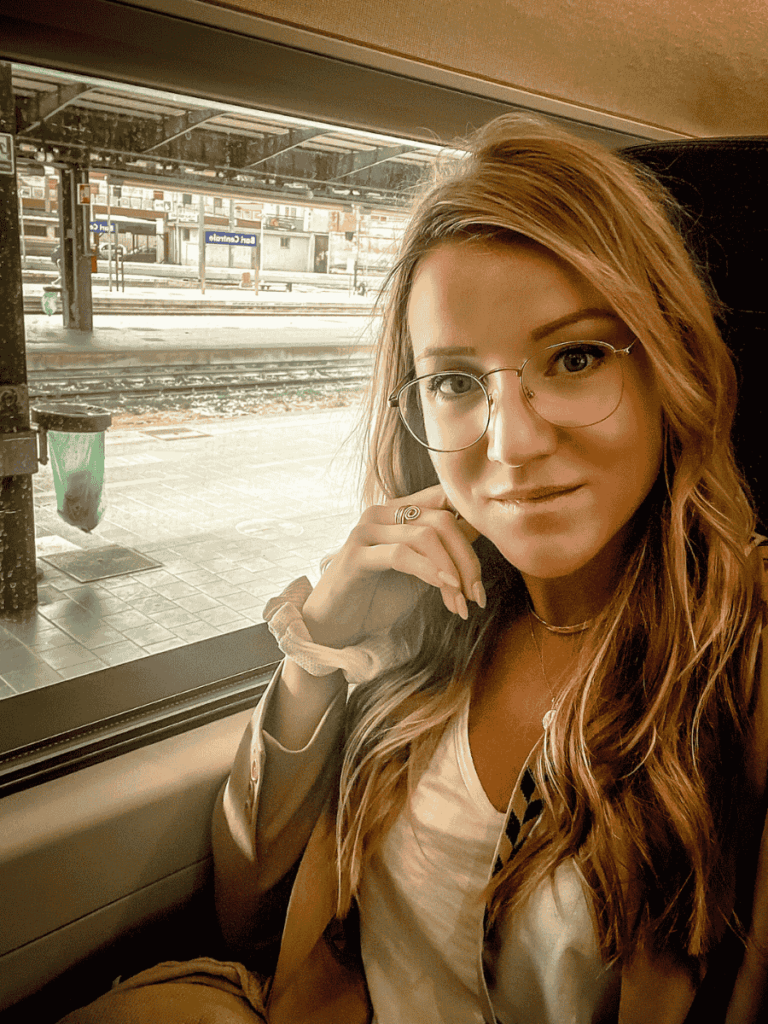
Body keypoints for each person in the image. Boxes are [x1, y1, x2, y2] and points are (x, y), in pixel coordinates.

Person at [59, 117, 768, 1024]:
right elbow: (249, 910)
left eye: (576, 358)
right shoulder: (426, 613)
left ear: (668, 365)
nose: (510, 443)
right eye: (456, 382)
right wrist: (321, 647)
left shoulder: (741, 657)